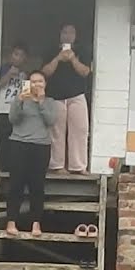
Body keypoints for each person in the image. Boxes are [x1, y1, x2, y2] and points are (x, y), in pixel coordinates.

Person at [6, 71, 59, 236]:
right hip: (18, 144)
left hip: (40, 146)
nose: (37, 85)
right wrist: (19, 101)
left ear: (45, 84)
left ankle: (36, 223)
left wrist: (41, 101)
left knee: (37, 185)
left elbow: (50, 121)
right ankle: (11, 221)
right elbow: (12, 119)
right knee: (16, 184)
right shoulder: (21, 99)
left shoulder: (50, 102)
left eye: (40, 81)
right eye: (33, 81)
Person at [41, 22, 94, 174]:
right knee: (56, 132)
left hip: (77, 95)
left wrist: (72, 59)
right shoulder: (51, 50)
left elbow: (85, 72)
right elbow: (45, 72)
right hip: (55, 96)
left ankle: (78, 166)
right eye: (65, 32)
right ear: (60, 34)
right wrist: (58, 58)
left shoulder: (82, 50)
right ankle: (57, 166)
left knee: (80, 130)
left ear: (76, 35)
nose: (68, 36)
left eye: (71, 32)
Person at [0, 41, 31, 170]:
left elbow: (27, 94)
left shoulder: (25, 74)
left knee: (16, 139)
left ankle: (15, 165)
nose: (18, 58)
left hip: (18, 111)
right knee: (4, 138)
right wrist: (9, 74)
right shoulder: (4, 69)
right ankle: (3, 165)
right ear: (11, 55)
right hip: (4, 109)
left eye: (21, 55)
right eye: (16, 54)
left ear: (25, 58)